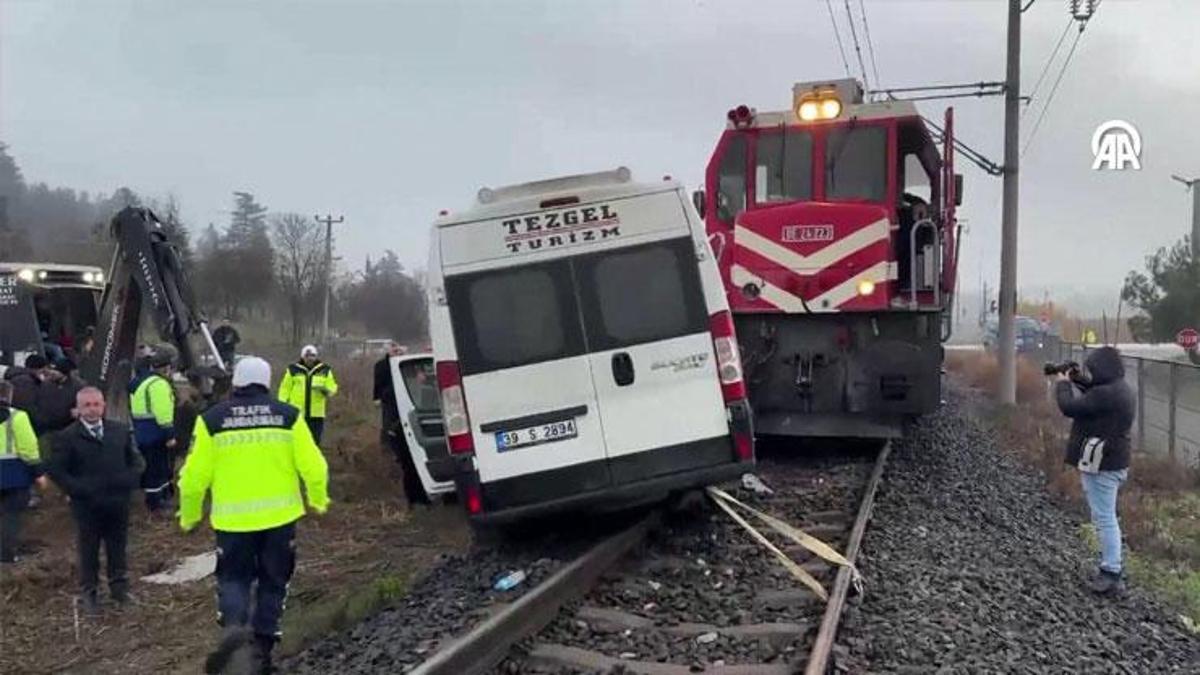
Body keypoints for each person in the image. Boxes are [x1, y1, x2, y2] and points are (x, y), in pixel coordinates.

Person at [179, 356, 329, 674]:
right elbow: (315, 466)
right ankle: (262, 649)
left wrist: (189, 517)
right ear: (268, 381)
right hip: (279, 519)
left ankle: (234, 629)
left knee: (233, 578)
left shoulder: (212, 419)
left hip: (232, 522)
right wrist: (319, 500)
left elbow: (192, 479)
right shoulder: (288, 416)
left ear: (235, 383)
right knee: (274, 582)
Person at [46, 387, 145, 613]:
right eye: (87, 405)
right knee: (89, 549)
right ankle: (90, 593)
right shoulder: (67, 437)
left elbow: (136, 461)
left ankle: (119, 589)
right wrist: (78, 489)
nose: (92, 409)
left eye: (96, 404)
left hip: (117, 502)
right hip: (87, 505)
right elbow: (57, 470)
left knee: (117, 547)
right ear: (78, 409)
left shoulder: (119, 431)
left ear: (103, 405)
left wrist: (128, 480)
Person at [1053, 346, 1135, 595]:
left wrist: (1063, 384)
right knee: (1108, 516)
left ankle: (1111, 572)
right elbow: (1095, 393)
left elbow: (1070, 407)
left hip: (1102, 464)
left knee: (1104, 518)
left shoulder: (1107, 394)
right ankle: (1113, 568)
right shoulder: (1121, 389)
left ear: (1103, 369)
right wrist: (1077, 378)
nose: (1091, 372)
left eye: (1093, 369)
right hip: (1115, 460)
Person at [0, 381, 45, 563]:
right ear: (9, 395)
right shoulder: (18, 417)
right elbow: (28, 449)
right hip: (14, 475)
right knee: (12, 516)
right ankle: (6, 554)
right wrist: (39, 473)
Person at [130, 350, 177, 512]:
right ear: (166, 367)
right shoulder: (158, 384)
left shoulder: (139, 383)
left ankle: (161, 496)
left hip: (141, 430)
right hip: (156, 431)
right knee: (157, 467)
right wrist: (170, 434)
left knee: (153, 466)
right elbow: (163, 412)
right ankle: (156, 503)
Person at [278, 345, 338, 445]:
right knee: (298, 440)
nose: (310, 358)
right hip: (297, 412)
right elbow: (285, 388)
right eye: (307, 356)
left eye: (313, 356)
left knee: (315, 441)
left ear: (316, 357)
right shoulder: (293, 369)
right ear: (302, 357)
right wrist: (282, 405)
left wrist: (326, 390)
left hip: (316, 413)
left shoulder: (324, 369)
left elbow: (332, 386)